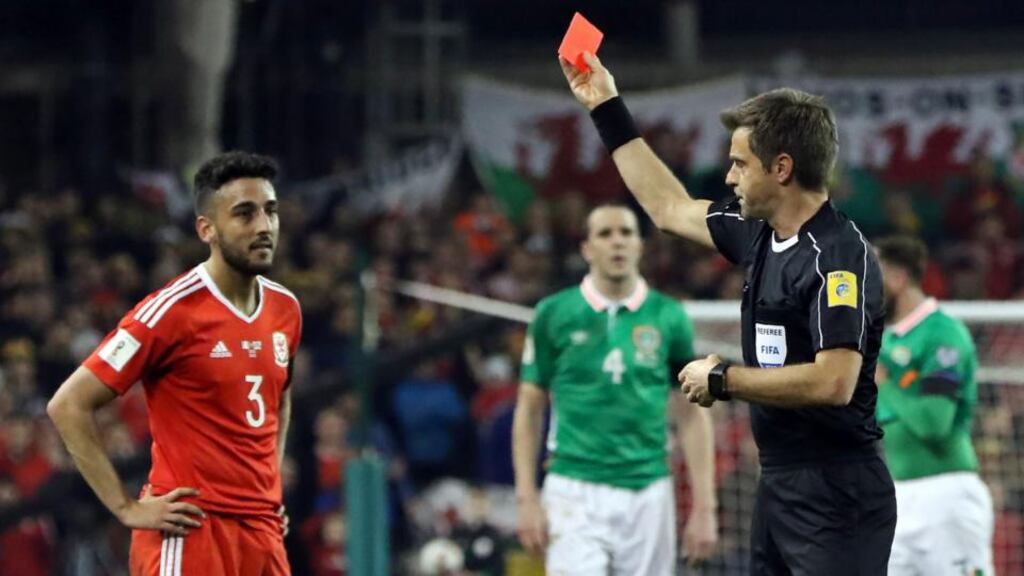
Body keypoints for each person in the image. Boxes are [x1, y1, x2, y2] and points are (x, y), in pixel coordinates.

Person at [560, 53, 896, 574]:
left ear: (781, 168)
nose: (729, 175)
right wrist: (605, 105)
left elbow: (834, 381)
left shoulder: (836, 256)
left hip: (837, 492)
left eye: (740, 163)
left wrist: (724, 380)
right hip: (779, 481)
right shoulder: (759, 231)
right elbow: (668, 208)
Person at [47, 151, 302, 576]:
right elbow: (67, 405)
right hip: (192, 531)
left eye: (270, 211)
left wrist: (268, 489)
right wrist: (125, 507)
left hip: (262, 532)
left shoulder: (285, 308)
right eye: (244, 214)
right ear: (207, 229)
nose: (264, 226)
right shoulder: (171, 311)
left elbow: (281, 397)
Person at [512, 204, 718, 575]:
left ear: (640, 245)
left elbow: (691, 413)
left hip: (648, 489)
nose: (617, 241)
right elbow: (528, 409)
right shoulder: (552, 314)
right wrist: (526, 498)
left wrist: (705, 508)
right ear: (587, 248)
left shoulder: (669, 316)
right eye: (605, 234)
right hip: (573, 488)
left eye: (626, 233)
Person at [875, 236, 994, 576]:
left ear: (897, 278)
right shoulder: (885, 341)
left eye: (871, 276)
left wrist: (885, 384)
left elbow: (933, 422)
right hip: (898, 496)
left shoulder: (942, 333)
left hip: (946, 495)